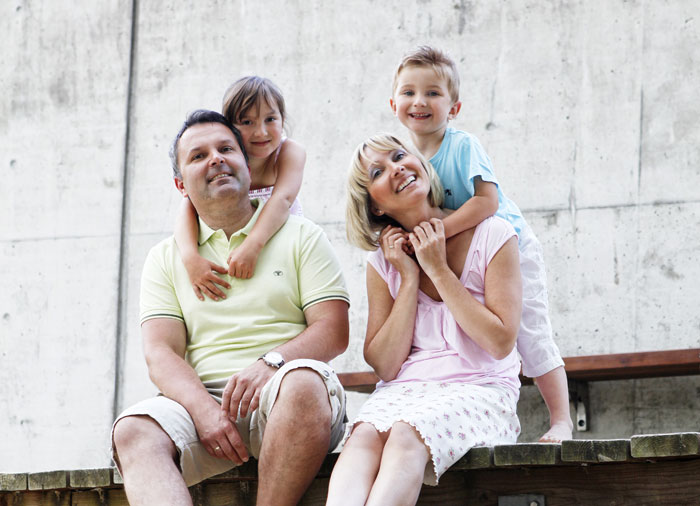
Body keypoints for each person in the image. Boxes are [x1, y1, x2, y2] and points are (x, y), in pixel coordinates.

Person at [111, 110, 350, 506]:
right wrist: (203, 410)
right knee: (133, 431)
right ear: (180, 184)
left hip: (286, 393)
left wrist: (271, 362)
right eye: (198, 155)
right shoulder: (166, 257)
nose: (216, 159)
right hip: (201, 401)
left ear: (247, 165)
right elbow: (160, 353)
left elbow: (333, 330)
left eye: (225, 149)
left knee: (305, 383)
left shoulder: (301, 235)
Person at [326, 134, 523, 505]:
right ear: (375, 206)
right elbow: (385, 365)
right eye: (378, 171)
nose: (397, 168)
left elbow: (500, 342)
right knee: (364, 435)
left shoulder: (493, 234)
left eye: (400, 156)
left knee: (404, 433)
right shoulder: (383, 263)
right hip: (404, 391)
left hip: (480, 387)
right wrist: (410, 277)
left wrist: (438, 268)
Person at [389, 46, 573, 442]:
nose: (419, 101)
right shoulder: (404, 161)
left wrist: (439, 233)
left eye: (433, 93)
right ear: (393, 103)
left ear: (454, 107)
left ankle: (561, 419)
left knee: (531, 331)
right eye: (409, 92)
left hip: (510, 246)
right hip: (467, 258)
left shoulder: (463, 145)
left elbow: (487, 202)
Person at [175, 77, 306, 301]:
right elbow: (187, 206)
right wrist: (190, 258)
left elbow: (283, 199)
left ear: (282, 120)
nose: (261, 132)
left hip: (278, 239)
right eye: (247, 122)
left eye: (270, 119)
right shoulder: (227, 163)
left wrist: (253, 244)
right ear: (230, 128)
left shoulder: (288, 151)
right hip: (232, 246)